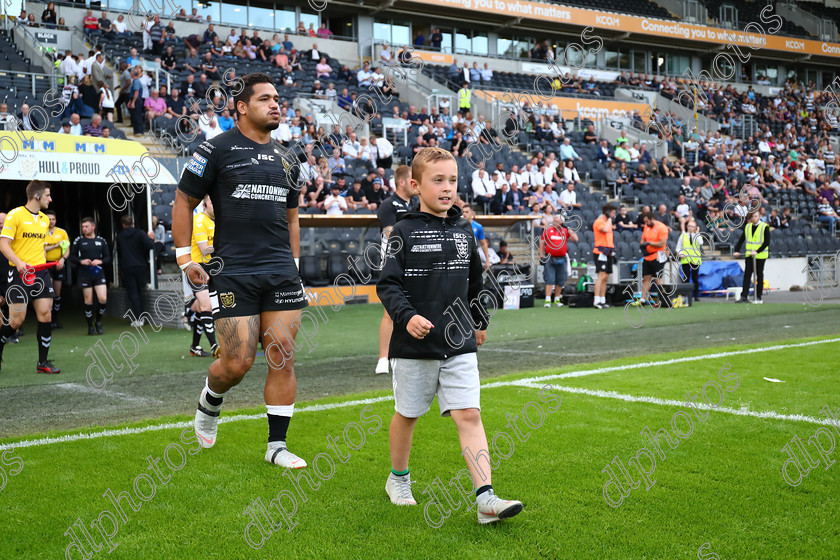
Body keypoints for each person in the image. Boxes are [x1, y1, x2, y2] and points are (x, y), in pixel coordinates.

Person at [376, 146, 523, 523]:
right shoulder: (401, 232)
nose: (446, 188)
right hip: (414, 346)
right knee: (407, 415)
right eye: (437, 180)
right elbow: (387, 285)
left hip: (459, 343)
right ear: (414, 185)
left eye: (452, 180)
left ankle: (486, 499)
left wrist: (480, 319)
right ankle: (399, 479)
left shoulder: (463, 231)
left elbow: (476, 281)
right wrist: (406, 317)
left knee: (470, 415)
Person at [174, 73, 309, 468]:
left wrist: (295, 266)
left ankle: (276, 447)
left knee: (282, 354)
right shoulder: (214, 150)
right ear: (241, 107)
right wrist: (185, 258)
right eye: (266, 98)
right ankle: (210, 400)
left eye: (278, 98)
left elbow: (293, 219)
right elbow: (183, 202)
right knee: (237, 364)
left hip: (281, 272)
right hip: (234, 272)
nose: (275, 104)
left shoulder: (289, 158)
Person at [0, 181, 60, 373]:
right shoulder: (15, 215)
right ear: (37, 196)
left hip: (40, 274)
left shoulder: (43, 219)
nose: (50, 199)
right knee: (16, 321)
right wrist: (18, 263)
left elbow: (39, 247)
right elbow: (3, 245)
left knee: (45, 314)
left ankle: (42, 363)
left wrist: (54, 260)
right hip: (18, 274)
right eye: (47, 195)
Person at [374, 165, 415, 375]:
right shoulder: (388, 205)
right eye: (412, 179)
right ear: (401, 181)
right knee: (390, 312)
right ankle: (383, 358)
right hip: (393, 264)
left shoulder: (416, 204)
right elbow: (391, 236)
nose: (416, 184)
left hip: (416, 263)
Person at [70, 217, 111, 335]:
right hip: (84, 273)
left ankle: (98, 321)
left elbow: (108, 257)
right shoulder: (79, 240)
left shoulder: (101, 240)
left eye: (86, 226)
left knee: (103, 298)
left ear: (93, 227)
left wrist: (100, 261)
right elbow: (72, 256)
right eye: (83, 227)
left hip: (98, 272)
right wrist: (80, 261)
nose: (84, 229)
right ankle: (90, 326)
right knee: (88, 300)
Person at [115, 214, 155, 327]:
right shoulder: (140, 233)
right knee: (141, 292)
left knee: (133, 294)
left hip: (127, 267)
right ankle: (142, 317)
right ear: (132, 222)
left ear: (123, 225)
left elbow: (120, 253)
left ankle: (138, 318)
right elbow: (150, 245)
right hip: (141, 266)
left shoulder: (120, 236)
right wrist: (151, 238)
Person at [540, 214, 577, 308]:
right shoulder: (548, 230)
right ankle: (548, 300)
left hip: (562, 258)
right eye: (554, 220)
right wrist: (541, 255)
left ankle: (557, 299)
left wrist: (568, 228)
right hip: (550, 258)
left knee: (560, 280)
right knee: (550, 279)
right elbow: (542, 242)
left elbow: (575, 238)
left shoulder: (565, 231)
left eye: (558, 221)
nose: (556, 222)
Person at [733, 211, 770, 304]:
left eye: (756, 216)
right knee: (747, 275)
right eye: (752, 216)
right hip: (749, 256)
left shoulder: (764, 227)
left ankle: (758, 296)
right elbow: (741, 239)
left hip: (760, 256)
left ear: (759, 216)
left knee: (759, 275)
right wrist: (736, 250)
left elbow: (766, 242)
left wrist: (757, 251)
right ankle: (744, 296)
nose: (754, 218)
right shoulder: (748, 227)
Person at [43, 210, 70, 329]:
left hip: (58, 263)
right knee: (49, 292)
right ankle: (48, 318)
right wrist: (54, 246)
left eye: (53, 219)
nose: (51, 221)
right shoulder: (41, 232)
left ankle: (55, 319)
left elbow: (67, 248)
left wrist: (63, 259)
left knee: (57, 292)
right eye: (48, 219)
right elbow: (41, 249)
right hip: (45, 264)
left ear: (56, 220)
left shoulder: (62, 232)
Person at [638, 211, 670, 307]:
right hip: (648, 256)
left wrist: (649, 243)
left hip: (659, 255)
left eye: (647, 222)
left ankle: (663, 300)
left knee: (657, 278)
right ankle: (642, 300)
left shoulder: (662, 228)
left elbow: (662, 243)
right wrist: (643, 245)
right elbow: (642, 238)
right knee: (646, 278)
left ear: (652, 219)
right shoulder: (647, 227)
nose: (646, 224)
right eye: (645, 222)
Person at [592, 204, 616, 309]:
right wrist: (609, 219)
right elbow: (605, 230)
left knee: (606, 277)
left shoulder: (608, 222)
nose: (614, 215)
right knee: (601, 276)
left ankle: (603, 300)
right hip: (600, 252)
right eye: (613, 213)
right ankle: (596, 300)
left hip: (608, 252)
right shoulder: (600, 221)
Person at [675, 220, 702, 302]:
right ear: (687, 227)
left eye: (693, 226)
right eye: (689, 226)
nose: (691, 228)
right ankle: (685, 296)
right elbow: (678, 247)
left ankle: (696, 295)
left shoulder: (697, 236)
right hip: (686, 259)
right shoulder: (682, 236)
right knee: (686, 278)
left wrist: (697, 233)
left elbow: (701, 242)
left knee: (695, 278)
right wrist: (680, 253)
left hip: (695, 259)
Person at [462, 204, 491, 269]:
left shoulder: (478, 226)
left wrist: (487, 260)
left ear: (472, 213)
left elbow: (483, 244)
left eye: (467, 212)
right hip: (461, 254)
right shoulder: (458, 225)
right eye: (463, 212)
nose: (464, 214)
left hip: (473, 255)